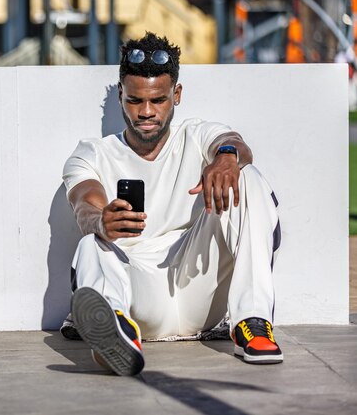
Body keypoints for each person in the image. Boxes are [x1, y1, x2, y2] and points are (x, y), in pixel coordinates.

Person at [61, 32, 282, 376]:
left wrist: (226, 158)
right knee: (92, 243)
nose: (146, 112)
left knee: (246, 176)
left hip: (199, 287)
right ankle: (116, 332)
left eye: (158, 100)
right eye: (135, 100)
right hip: (139, 295)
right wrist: (101, 221)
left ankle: (252, 321)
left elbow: (233, 143)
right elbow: (83, 204)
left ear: (176, 95)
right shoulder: (92, 153)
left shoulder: (197, 135)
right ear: (121, 94)